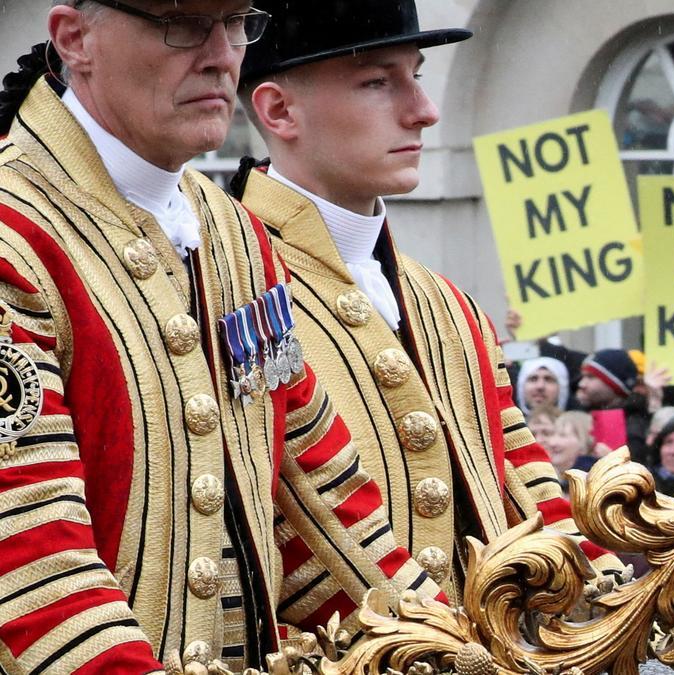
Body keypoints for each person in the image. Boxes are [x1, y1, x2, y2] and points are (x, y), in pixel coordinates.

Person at [0, 2, 446, 672]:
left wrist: (445, 646)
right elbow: (33, 555)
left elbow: (322, 510)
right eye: (181, 24)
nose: (221, 55)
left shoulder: (235, 236)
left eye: (238, 22)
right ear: (75, 38)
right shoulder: (14, 233)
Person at [231, 0, 625, 606]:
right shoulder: (224, 294)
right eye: (377, 83)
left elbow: (531, 494)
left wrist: (622, 605)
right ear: (280, 110)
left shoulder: (450, 306)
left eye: (414, 75)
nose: (425, 111)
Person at [575, 348, 651, 465]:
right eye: (583, 377)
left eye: (590, 377)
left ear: (614, 384)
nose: (581, 384)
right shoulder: (583, 413)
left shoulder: (634, 423)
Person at [545, 411, 598, 483]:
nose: (552, 443)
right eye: (551, 434)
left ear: (585, 441)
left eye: (562, 435)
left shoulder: (593, 481)